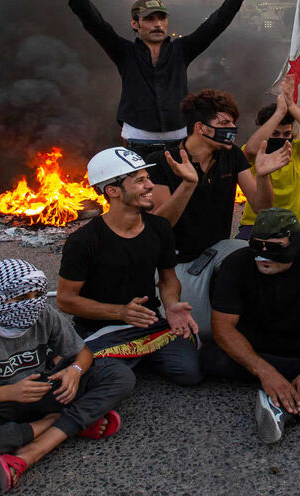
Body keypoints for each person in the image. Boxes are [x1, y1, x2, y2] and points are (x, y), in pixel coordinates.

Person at [0, 259, 135, 493]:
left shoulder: (44, 314)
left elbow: (83, 353)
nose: (30, 304)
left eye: (37, 294)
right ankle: (57, 423)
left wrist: (75, 371)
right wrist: (11, 392)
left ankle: (32, 445)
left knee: (118, 374)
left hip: (41, 391)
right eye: (20, 298)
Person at [46, 0, 256, 154]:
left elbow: (213, 26)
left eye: (161, 18)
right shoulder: (124, 52)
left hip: (179, 142)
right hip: (137, 142)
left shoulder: (181, 50)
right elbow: (95, 23)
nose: (157, 24)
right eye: (149, 19)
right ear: (135, 24)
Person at [202, 208, 300, 444]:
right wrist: (266, 372)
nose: (263, 255)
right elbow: (223, 328)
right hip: (260, 341)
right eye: (257, 245)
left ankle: (283, 403)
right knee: (211, 358)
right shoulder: (236, 264)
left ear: (294, 245)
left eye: (274, 248)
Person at [146, 89, 291, 332]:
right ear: (200, 128)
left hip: (218, 251)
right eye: (224, 123)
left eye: (233, 122)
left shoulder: (232, 155)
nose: (232, 128)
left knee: (258, 255)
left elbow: (262, 208)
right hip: (176, 261)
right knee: (200, 331)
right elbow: (159, 226)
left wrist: (264, 177)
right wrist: (188, 185)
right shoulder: (163, 161)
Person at [57, 147, 202, 387]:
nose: (150, 186)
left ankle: (134, 356)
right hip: (101, 328)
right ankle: (122, 360)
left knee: (189, 372)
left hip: (148, 324)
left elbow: (167, 279)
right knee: (115, 379)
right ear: (112, 191)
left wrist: (172, 304)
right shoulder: (83, 241)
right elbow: (65, 300)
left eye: (148, 178)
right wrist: (120, 312)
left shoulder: (159, 228)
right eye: (140, 181)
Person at [236, 86, 300, 240]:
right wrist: (278, 114)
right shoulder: (254, 153)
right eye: (275, 134)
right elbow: (251, 148)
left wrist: (291, 106)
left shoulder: (298, 150)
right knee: (240, 251)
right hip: (259, 223)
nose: (281, 138)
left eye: (287, 134)